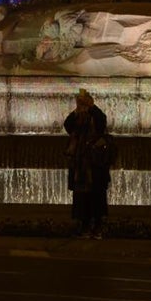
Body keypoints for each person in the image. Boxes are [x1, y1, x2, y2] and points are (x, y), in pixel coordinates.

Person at [63, 88, 111, 238]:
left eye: (84, 103)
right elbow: (67, 125)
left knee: (96, 197)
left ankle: (97, 226)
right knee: (82, 198)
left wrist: (91, 107)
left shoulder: (96, 116)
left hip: (95, 165)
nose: (82, 105)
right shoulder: (77, 117)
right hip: (81, 167)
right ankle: (84, 226)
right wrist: (77, 110)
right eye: (80, 103)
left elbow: (101, 123)